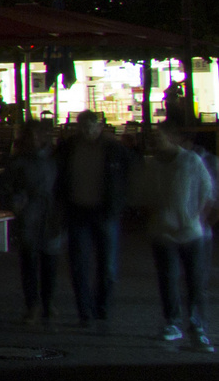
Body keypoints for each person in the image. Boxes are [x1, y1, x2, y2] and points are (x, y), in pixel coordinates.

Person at [55, 110, 133, 330]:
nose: (88, 130)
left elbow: (129, 172)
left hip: (104, 212)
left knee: (107, 265)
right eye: (84, 126)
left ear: (99, 127)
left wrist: (119, 201)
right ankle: (85, 311)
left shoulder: (113, 149)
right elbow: (59, 176)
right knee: (80, 264)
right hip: (78, 211)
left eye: (92, 126)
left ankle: (102, 306)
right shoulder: (69, 148)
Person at [144, 122, 215, 349]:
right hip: (163, 232)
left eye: (159, 138)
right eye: (152, 140)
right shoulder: (152, 165)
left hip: (190, 233)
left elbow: (206, 191)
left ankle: (196, 325)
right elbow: (146, 196)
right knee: (168, 279)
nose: (155, 144)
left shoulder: (190, 161)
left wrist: (196, 219)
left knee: (194, 281)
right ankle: (172, 322)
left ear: (171, 138)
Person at [3, 121, 64, 327]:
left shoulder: (54, 158)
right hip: (29, 214)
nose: (36, 140)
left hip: (51, 213)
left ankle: (48, 301)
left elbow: (62, 185)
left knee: (50, 261)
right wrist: (17, 201)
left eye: (39, 136)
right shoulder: (19, 161)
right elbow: (8, 186)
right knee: (29, 261)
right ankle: (33, 304)